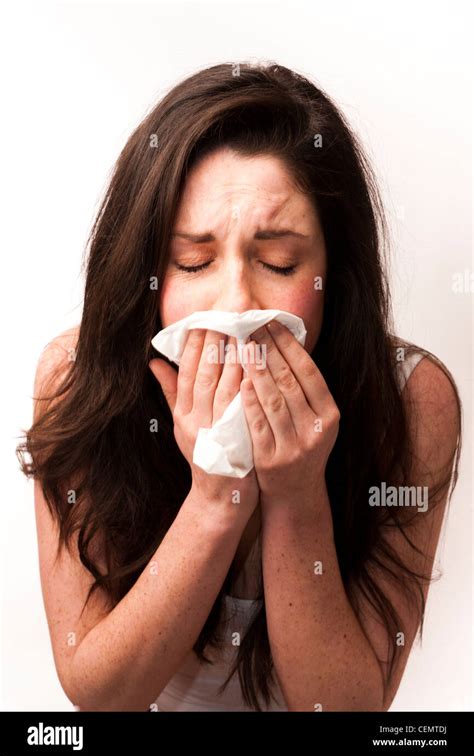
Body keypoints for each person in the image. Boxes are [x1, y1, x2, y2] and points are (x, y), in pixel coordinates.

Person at [17, 61, 462, 712]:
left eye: (279, 262)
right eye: (193, 261)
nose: (234, 303)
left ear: (333, 273)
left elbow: (345, 710)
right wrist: (217, 493)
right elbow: (101, 696)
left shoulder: (413, 401)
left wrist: (296, 493)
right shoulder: (76, 377)